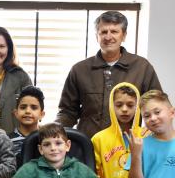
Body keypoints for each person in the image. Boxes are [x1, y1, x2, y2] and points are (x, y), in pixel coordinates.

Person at [57, 11, 162, 139]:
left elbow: (156, 105)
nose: (108, 37)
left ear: (124, 35)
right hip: (89, 145)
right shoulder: (79, 70)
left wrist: (155, 136)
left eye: (114, 31)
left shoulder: (142, 67)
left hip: (127, 145)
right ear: (97, 36)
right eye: (103, 32)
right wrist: (52, 132)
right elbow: (67, 112)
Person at [91, 82, 143, 178]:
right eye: (119, 105)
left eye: (130, 105)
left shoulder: (146, 136)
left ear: (137, 106)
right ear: (111, 106)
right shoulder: (99, 139)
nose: (124, 109)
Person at [9, 85, 46, 167]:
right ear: (16, 113)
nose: (28, 111)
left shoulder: (48, 139)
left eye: (34, 108)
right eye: (23, 107)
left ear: (42, 114)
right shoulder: (6, 141)